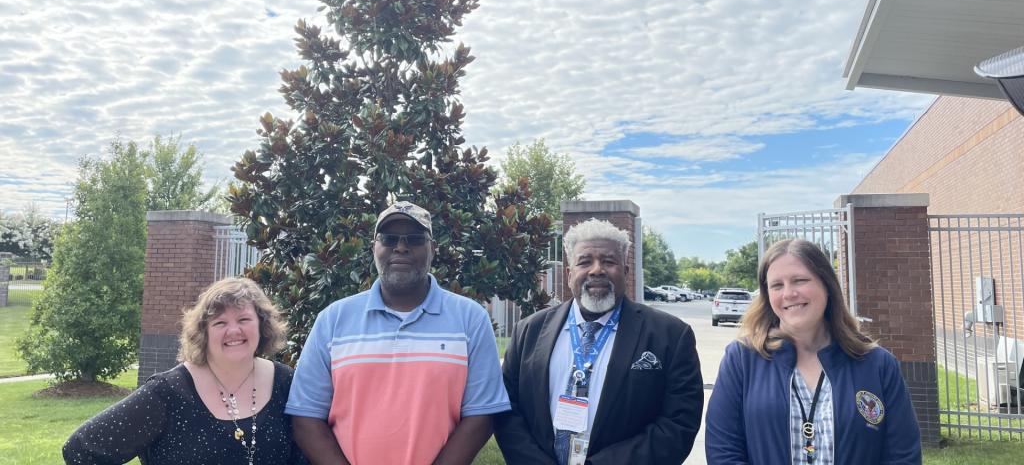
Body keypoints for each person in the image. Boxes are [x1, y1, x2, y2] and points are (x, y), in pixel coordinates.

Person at [285, 201, 509, 465]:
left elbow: (482, 415)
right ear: (374, 248)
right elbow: (305, 415)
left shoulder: (470, 319)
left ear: (432, 250)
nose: (401, 247)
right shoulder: (333, 320)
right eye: (389, 239)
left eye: (414, 239)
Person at [494, 218, 704, 465]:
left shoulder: (670, 335)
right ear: (569, 273)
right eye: (584, 261)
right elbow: (507, 410)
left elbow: (678, 423)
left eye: (609, 261)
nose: (597, 270)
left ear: (625, 272)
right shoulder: (528, 331)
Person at [705, 238, 922, 464]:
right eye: (777, 285)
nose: (788, 294)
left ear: (827, 286)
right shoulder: (742, 360)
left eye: (799, 280)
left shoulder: (878, 364)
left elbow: (903, 456)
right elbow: (723, 452)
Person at [63, 277, 308, 464]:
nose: (234, 331)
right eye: (220, 323)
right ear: (204, 332)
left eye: (244, 320)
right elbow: (80, 450)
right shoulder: (168, 392)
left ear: (262, 325)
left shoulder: (285, 382)